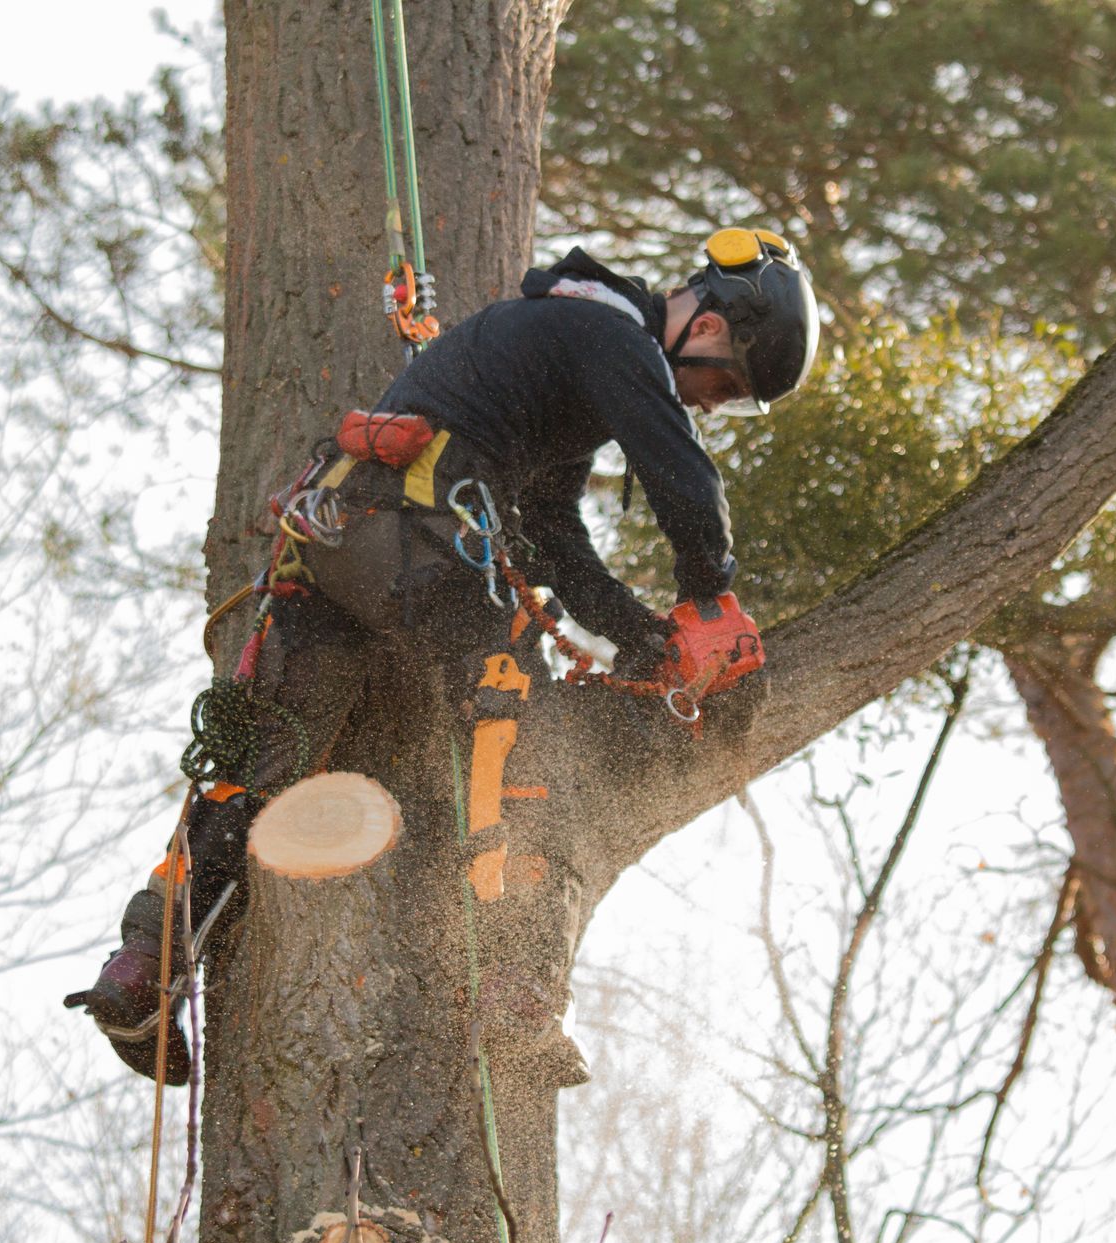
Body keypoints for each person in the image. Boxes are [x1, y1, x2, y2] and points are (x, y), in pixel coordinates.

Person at [66, 228, 820, 1083]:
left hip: (337, 535)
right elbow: (681, 471)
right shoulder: (612, 335)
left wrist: (645, 633)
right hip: (426, 539)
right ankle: (515, 983)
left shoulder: (557, 342)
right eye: (724, 387)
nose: (712, 405)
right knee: (522, 739)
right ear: (716, 328)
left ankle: (142, 966)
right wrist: (710, 600)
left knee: (262, 759)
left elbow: (554, 535)